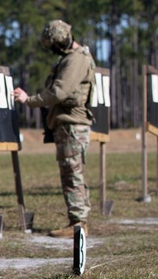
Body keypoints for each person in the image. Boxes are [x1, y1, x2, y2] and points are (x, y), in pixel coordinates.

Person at [13, 20, 96, 238]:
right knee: (72, 172)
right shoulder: (75, 58)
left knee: (72, 173)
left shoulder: (75, 60)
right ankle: (78, 221)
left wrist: (28, 100)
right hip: (69, 125)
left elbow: (59, 92)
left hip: (72, 126)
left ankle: (78, 223)